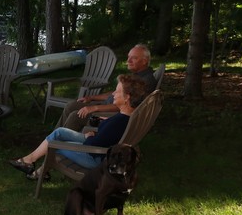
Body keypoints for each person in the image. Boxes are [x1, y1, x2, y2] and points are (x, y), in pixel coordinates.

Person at [9, 74, 147, 180]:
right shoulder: (126, 117)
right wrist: (101, 127)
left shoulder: (118, 122)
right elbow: (108, 136)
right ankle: (30, 161)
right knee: (59, 132)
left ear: (127, 97)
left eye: (117, 92)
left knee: (54, 144)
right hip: (97, 148)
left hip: (93, 157)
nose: (113, 94)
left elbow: (95, 145)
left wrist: (89, 136)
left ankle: (33, 166)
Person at [58, 44, 156, 131]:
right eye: (128, 57)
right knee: (70, 105)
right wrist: (91, 98)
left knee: (76, 116)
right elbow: (115, 93)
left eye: (133, 58)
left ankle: (56, 145)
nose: (128, 61)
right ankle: (51, 139)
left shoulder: (145, 81)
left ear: (144, 61)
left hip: (111, 115)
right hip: (106, 106)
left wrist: (95, 108)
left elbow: (125, 106)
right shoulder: (137, 76)